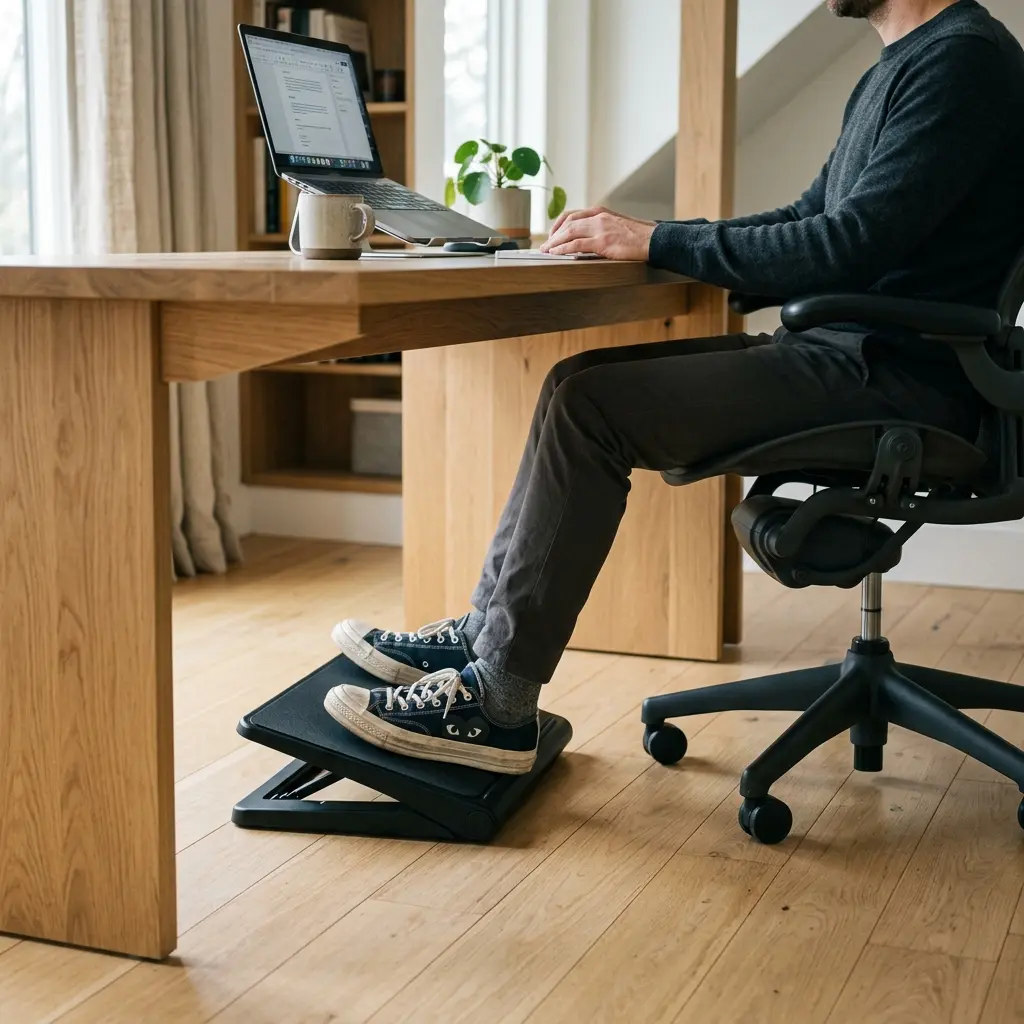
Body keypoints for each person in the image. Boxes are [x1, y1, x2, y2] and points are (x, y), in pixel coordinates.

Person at [324, 0, 1024, 775]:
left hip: (900, 381)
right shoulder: (901, 66)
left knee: (592, 411)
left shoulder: (964, 61)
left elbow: (849, 246)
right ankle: (484, 635)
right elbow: (806, 216)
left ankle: (497, 702)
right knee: (575, 383)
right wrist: (648, 238)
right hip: (854, 356)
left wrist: (659, 239)